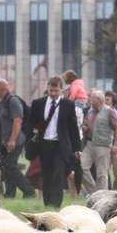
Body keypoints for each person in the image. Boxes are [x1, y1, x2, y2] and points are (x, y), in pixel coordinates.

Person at [28, 75, 80, 208]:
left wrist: (77, 148)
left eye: (56, 91)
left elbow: (73, 128)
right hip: (44, 144)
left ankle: (56, 204)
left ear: (61, 90)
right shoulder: (38, 103)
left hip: (60, 146)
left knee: (58, 174)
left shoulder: (68, 105)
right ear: (47, 88)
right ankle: (47, 203)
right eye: (51, 90)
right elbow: (30, 124)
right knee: (47, 174)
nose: (53, 93)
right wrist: (30, 140)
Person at [0, 78, 35, 199]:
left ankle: (29, 190)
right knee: (7, 166)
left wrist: (12, 140)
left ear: (2, 88)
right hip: (5, 141)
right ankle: (10, 193)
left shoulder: (13, 101)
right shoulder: (2, 102)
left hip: (16, 140)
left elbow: (17, 121)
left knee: (9, 164)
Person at [80, 89, 117, 195]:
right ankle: (95, 192)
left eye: (92, 98)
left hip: (103, 146)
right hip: (89, 144)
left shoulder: (109, 111)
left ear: (98, 100)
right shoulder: (90, 111)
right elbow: (85, 123)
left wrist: (116, 143)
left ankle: (102, 196)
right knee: (81, 166)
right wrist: (85, 127)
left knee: (102, 174)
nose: (89, 100)